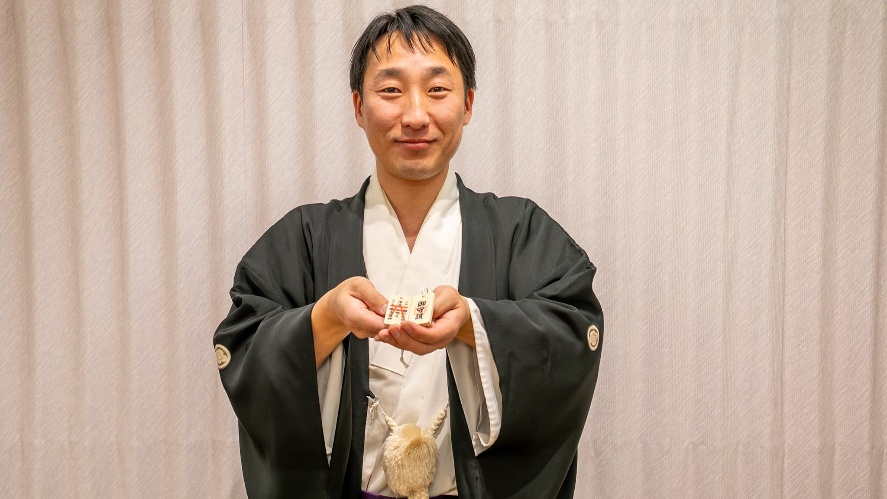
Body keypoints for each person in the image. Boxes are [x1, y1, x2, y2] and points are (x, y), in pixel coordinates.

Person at [214, 5, 603, 498]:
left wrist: (472, 323)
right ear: (359, 106)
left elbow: (572, 335)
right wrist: (326, 319)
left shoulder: (519, 231)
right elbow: (244, 346)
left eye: (437, 90)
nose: (416, 116)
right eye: (391, 91)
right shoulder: (306, 237)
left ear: (468, 104)